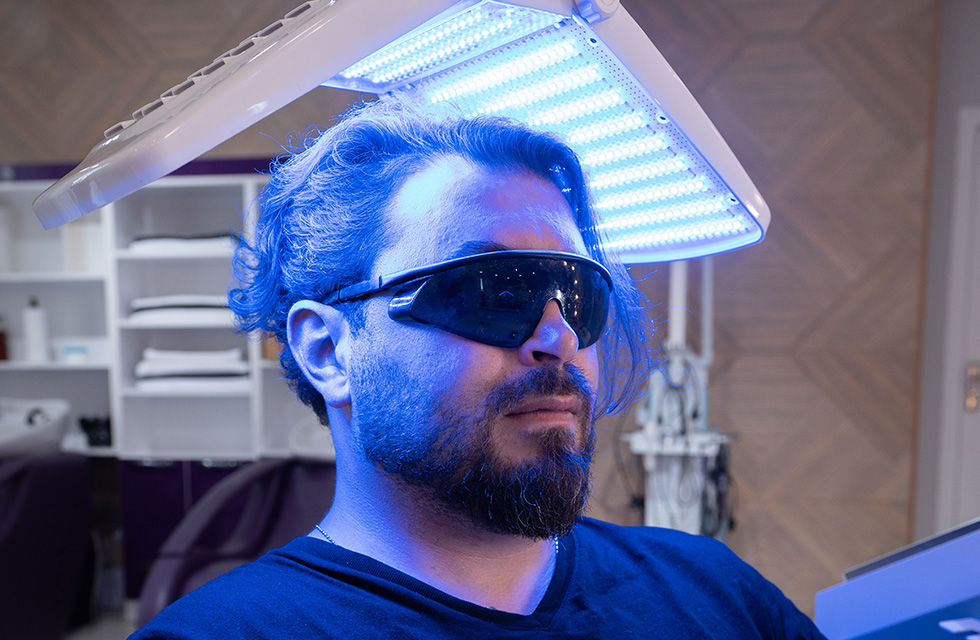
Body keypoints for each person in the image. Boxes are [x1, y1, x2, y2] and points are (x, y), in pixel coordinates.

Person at [130, 98, 827, 639]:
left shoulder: (717, 594)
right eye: (493, 290)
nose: (558, 337)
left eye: (577, 296)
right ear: (328, 351)